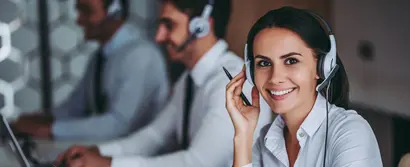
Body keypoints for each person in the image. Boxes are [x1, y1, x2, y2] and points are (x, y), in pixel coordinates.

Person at [53, 0, 272, 166]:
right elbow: (154, 137)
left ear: (202, 26)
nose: (159, 37)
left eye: (169, 25)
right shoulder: (190, 79)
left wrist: (109, 164)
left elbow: (197, 163)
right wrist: (93, 152)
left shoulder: (233, 82)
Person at [225, 6, 383, 167]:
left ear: (322, 67)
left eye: (291, 61)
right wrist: (242, 136)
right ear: (252, 73)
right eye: (264, 63)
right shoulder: (265, 143)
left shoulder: (351, 132)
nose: (275, 78)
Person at [12, 0, 169, 140]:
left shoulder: (141, 56)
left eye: (87, 11)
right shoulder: (100, 58)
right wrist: (39, 120)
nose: (79, 20)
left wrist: (49, 130)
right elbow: (75, 107)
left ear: (114, 11)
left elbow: (118, 125)